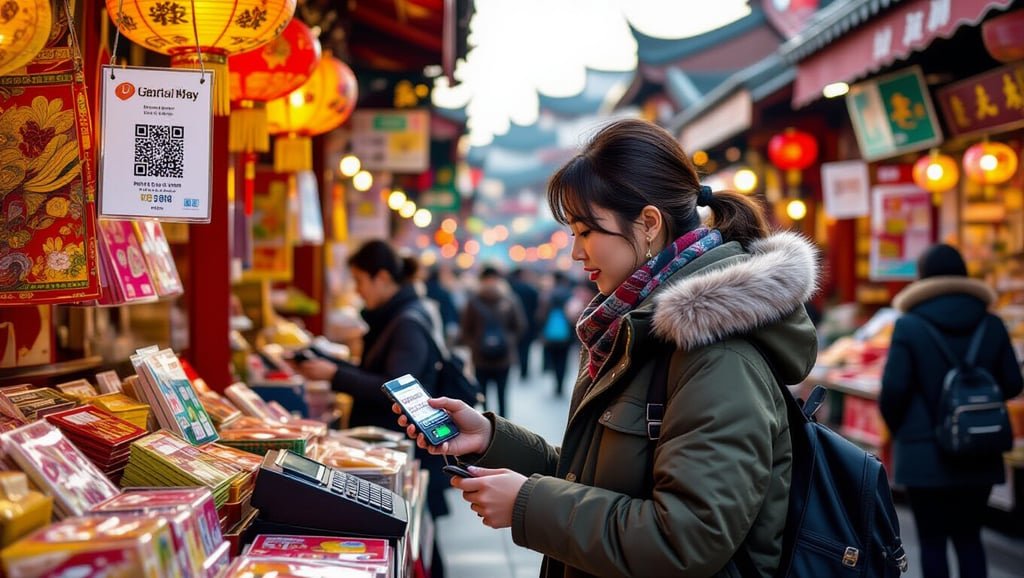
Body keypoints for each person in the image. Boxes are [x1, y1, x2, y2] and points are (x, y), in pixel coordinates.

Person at [393, 118, 820, 577]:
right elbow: (595, 476)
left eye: (585, 231)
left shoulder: (716, 353)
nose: (577, 253)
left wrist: (527, 505)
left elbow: (687, 537)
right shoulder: (634, 326)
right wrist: (493, 441)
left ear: (649, 223)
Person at [292, 239, 453, 562]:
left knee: (419, 543)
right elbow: (375, 372)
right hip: (393, 447)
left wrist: (334, 375)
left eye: (359, 280)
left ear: (381, 277)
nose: (357, 289)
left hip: (402, 447)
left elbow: (393, 387)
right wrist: (330, 365)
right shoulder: (395, 315)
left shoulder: (405, 322)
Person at [880, 243, 1023, 578]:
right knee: (970, 538)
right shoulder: (991, 323)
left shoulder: (909, 325)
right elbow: (1013, 384)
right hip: (979, 448)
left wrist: (904, 431)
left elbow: (894, 391)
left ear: (923, 277)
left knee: (932, 541)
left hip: (922, 452)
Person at [459, 266, 526, 416]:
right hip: (501, 356)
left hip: (481, 357)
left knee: (484, 395)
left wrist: (475, 343)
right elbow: (520, 325)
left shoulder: (473, 301)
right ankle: (504, 428)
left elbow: (465, 330)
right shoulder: (509, 299)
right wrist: (508, 341)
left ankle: (487, 425)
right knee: (501, 394)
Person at [538, 271, 574, 396]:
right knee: (563, 360)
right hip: (566, 334)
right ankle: (560, 384)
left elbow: (541, 315)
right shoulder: (569, 294)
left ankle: (555, 381)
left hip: (550, 333)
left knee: (553, 357)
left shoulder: (548, 295)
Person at [509, 268, 541, 379]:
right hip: (529, 323)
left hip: (513, 323)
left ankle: (517, 366)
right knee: (525, 349)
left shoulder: (511, 289)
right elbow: (537, 307)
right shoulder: (531, 290)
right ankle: (524, 370)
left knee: (517, 346)